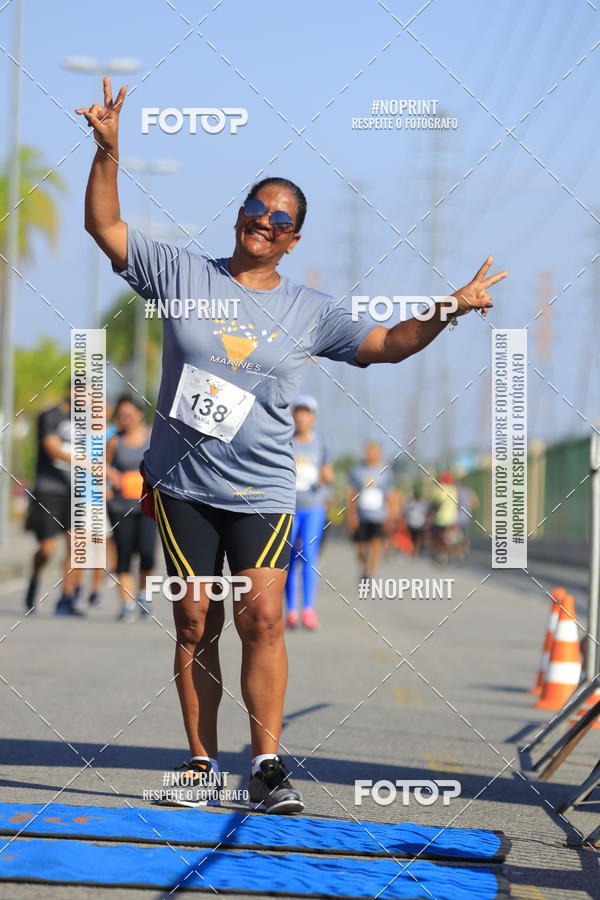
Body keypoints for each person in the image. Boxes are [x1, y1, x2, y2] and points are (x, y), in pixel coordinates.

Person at [77, 76, 507, 814]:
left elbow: (386, 344)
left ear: (294, 239)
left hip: (265, 488)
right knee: (193, 621)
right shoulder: (182, 274)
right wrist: (108, 153)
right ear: (239, 215)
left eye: (279, 219)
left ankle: (268, 764)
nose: (263, 223)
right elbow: (106, 227)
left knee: (263, 616)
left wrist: (450, 308)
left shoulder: (311, 311)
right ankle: (201, 764)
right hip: (182, 481)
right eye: (255, 209)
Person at [24, 386, 84, 616]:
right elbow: (52, 448)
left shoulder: (86, 421)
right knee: (48, 548)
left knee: (76, 547)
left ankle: (66, 600)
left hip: (76, 491)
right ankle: (34, 579)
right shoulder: (50, 416)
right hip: (50, 490)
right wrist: (86, 462)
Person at [285, 395, 333, 631]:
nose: (302, 417)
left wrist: (326, 477)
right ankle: (291, 610)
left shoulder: (321, 443)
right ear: (293, 416)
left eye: (306, 413)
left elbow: (328, 472)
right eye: (298, 412)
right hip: (289, 508)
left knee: (309, 557)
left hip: (314, 507)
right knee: (288, 559)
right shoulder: (285, 442)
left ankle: (308, 610)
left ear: (313, 418)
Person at [106, 394, 156, 622]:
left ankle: (144, 596)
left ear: (139, 414)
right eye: (121, 415)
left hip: (147, 505)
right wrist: (111, 477)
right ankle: (127, 604)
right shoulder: (115, 440)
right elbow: (102, 466)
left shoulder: (152, 437)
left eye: (129, 414)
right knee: (124, 555)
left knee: (147, 553)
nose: (124, 418)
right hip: (120, 506)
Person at [347, 443, 397, 585]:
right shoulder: (358, 471)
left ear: (379, 453)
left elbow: (391, 495)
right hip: (361, 515)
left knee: (376, 545)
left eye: (373, 451)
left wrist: (391, 516)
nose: (370, 454)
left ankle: (370, 572)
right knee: (360, 548)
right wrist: (351, 514)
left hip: (379, 516)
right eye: (368, 451)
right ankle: (364, 565)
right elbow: (352, 493)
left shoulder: (386, 472)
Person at [430, 471, 460, 562]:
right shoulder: (454, 489)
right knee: (449, 536)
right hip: (452, 518)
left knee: (435, 536)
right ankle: (452, 550)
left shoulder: (439, 488)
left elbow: (435, 503)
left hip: (440, 518)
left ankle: (439, 552)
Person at [404, 484, 429, 556]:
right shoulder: (411, 503)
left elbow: (425, 513)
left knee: (418, 537)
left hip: (419, 523)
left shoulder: (422, 503)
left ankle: (416, 550)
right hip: (412, 523)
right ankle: (414, 549)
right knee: (413, 537)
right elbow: (406, 511)